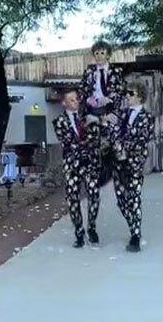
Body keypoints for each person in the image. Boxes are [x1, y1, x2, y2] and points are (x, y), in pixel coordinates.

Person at [52, 89, 101, 248]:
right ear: (64, 103)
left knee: (94, 195)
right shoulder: (59, 122)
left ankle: (91, 226)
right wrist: (85, 145)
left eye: (77, 99)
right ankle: (79, 232)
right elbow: (68, 142)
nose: (76, 102)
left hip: (89, 163)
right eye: (71, 99)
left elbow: (95, 139)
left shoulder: (87, 118)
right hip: (72, 164)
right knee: (73, 198)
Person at [111, 87, 154, 252]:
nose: (127, 96)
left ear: (140, 97)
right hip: (119, 164)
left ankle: (135, 235)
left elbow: (141, 139)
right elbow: (114, 134)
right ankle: (133, 225)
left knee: (134, 197)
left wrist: (124, 149)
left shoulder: (147, 118)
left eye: (131, 94)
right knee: (121, 199)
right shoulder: (122, 114)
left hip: (134, 163)